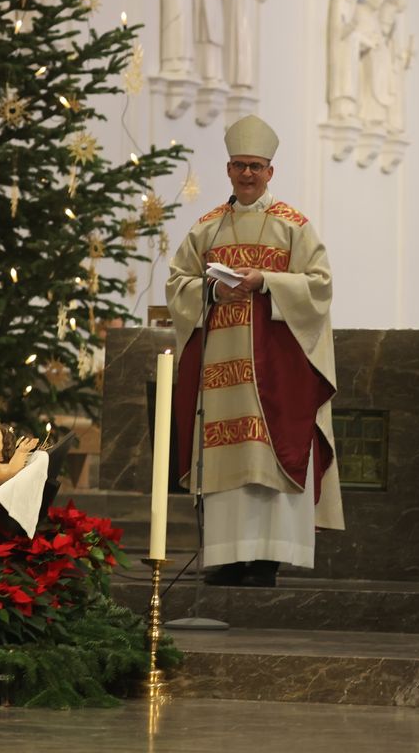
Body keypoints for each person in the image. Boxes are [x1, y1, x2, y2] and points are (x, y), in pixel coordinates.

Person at [166, 114, 344, 587]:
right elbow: (176, 284)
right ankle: (226, 558)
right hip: (220, 378)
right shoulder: (206, 230)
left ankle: (268, 558)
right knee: (225, 464)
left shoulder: (293, 228)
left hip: (275, 375)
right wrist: (211, 294)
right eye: (240, 165)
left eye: (257, 166)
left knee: (269, 459)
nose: (247, 174)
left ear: (271, 172)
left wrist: (265, 281)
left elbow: (321, 286)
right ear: (228, 169)